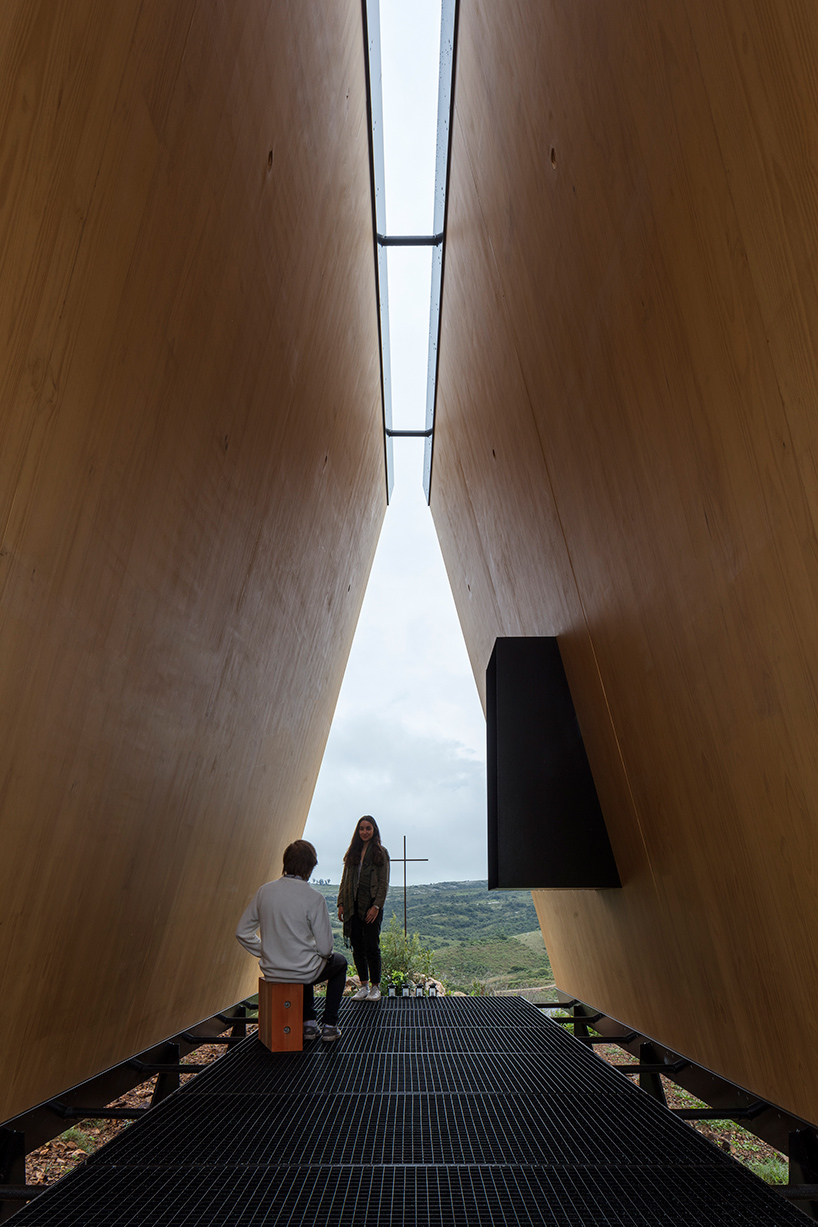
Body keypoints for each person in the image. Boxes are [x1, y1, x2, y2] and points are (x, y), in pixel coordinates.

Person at [236, 839, 347, 1041]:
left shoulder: (264, 892)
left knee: (305, 962)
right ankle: (330, 1026)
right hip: (302, 971)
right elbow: (325, 949)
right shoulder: (314, 898)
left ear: (285, 862)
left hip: (272, 970)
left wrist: (267, 950)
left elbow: (242, 932)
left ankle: (308, 1024)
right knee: (338, 963)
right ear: (311, 867)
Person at [337, 815, 390, 1001]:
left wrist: (376, 906)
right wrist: (341, 903)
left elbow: (384, 882)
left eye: (368, 828)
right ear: (357, 831)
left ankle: (376, 987)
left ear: (374, 830)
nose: (365, 832)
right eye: (361, 828)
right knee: (357, 947)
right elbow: (344, 880)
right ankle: (364, 986)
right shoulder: (352, 852)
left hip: (371, 906)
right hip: (352, 906)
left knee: (371, 946)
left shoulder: (380, 852)